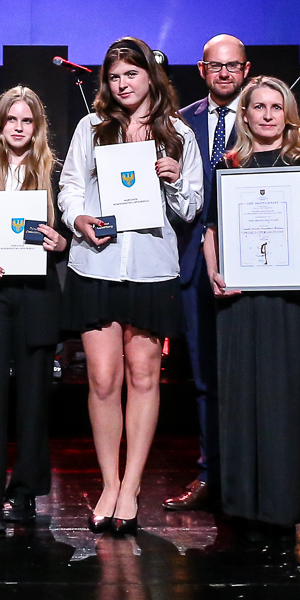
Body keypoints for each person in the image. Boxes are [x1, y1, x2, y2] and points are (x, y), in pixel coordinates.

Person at [59, 37, 204, 534]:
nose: (122, 84)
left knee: (144, 377)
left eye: (131, 74)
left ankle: (132, 486)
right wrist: (77, 218)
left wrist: (174, 178)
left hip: (150, 268)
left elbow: (191, 208)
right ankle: (108, 482)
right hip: (96, 265)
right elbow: (70, 186)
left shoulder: (178, 133)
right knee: (103, 380)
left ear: (150, 77)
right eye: (115, 76)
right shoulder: (91, 128)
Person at [199, 76, 300, 536]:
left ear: (288, 114)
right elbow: (212, 228)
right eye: (259, 106)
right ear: (245, 113)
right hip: (238, 297)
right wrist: (214, 272)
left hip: (287, 298)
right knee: (239, 397)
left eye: (277, 107)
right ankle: (239, 505)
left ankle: (279, 506)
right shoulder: (229, 164)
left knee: (282, 398)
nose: (268, 115)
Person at [0, 87, 71, 533]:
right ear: (0, 125)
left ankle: (24, 493)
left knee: (33, 400)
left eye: (27, 120)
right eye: (12, 120)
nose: (19, 127)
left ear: (37, 127)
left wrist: (61, 243)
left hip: (37, 293)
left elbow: (70, 232)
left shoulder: (54, 173)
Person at [167, 34, 248, 514]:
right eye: (215, 66)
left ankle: (247, 475)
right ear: (202, 70)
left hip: (251, 258)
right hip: (194, 260)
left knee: (247, 375)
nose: (224, 73)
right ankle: (210, 473)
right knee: (204, 376)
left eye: (232, 66)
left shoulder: (262, 115)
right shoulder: (180, 123)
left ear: (246, 69)